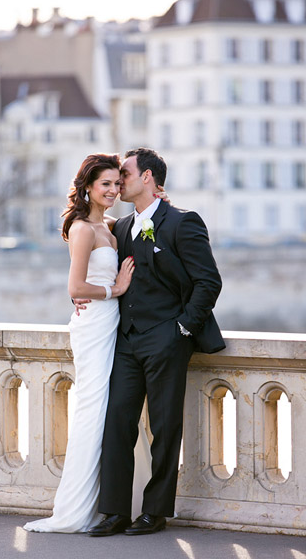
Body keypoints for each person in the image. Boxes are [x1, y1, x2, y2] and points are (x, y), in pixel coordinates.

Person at [87, 147, 225, 537]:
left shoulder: (183, 222)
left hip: (167, 339)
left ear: (147, 177)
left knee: (165, 428)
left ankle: (155, 512)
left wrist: (181, 328)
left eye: (125, 174)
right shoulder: (119, 228)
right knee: (116, 423)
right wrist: (88, 293)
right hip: (126, 342)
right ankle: (114, 511)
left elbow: (208, 282)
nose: (119, 181)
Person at [24, 152, 149, 533]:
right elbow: (75, 287)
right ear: (88, 188)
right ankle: (77, 508)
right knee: (92, 409)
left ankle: (118, 498)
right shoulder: (81, 229)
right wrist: (116, 288)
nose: (113, 190)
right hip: (94, 325)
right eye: (105, 184)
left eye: (117, 183)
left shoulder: (112, 226)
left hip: (112, 323)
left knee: (111, 409)